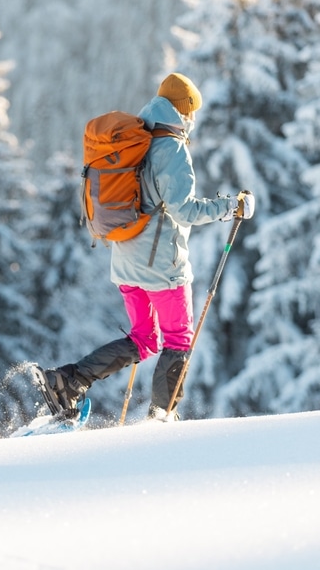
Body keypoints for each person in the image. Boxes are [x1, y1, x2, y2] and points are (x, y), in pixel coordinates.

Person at [36, 73, 254, 421]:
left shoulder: (135, 138)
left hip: (125, 261)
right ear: (183, 111)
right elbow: (185, 210)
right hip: (162, 266)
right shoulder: (172, 150)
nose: (193, 120)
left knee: (144, 339)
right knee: (178, 338)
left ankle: (70, 379)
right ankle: (161, 417)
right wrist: (230, 207)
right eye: (191, 112)